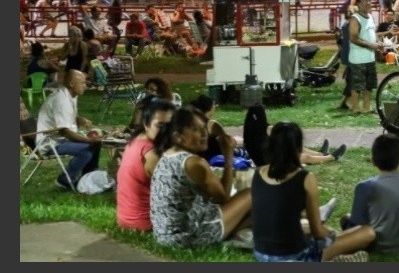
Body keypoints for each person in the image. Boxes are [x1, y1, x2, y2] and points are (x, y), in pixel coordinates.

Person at [251, 121, 374, 262]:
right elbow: (318, 232)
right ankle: (335, 259)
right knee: (366, 232)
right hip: (296, 257)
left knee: (304, 227)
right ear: (299, 147)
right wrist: (334, 234)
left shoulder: (257, 174)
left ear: (270, 145)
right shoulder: (304, 178)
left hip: (261, 255)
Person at [150, 106, 252, 248]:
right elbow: (223, 198)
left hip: (164, 234)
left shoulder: (168, 154)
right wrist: (228, 156)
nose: (204, 134)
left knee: (252, 213)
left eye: (204, 128)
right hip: (186, 238)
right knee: (251, 195)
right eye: (195, 130)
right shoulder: (194, 163)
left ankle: (239, 228)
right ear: (178, 136)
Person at [116, 95, 177, 231]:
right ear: (146, 124)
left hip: (126, 218)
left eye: (170, 125)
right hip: (145, 223)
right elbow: (174, 193)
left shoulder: (135, 141)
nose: (166, 131)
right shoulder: (151, 153)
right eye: (160, 125)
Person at [35, 69, 102, 190]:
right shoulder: (61, 100)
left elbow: (65, 117)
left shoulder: (71, 95)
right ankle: (64, 180)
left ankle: (89, 176)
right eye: (82, 83)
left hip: (60, 139)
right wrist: (89, 141)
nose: (85, 86)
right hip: (50, 143)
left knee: (95, 145)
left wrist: (79, 119)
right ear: (72, 84)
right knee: (86, 149)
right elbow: (65, 132)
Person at [242, 104, 347, 167]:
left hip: (272, 157)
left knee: (297, 148)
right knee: (306, 157)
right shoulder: (259, 137)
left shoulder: (252, 132)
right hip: (272, 162)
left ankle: (321, 153)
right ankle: (332, 157)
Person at [348, 0, 383, 114]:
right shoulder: (355, 18)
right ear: (358, 4)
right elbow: (353, 38)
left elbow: (373, 32)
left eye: (369, 1)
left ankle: (367, 107)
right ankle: (355, 108)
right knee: (357, 85)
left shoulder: (370, 16)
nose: (368, 3)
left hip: (370, 58)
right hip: (358, 59)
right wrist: (370, 45)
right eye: (365, 1)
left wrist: (378, 43)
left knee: (369, 85)